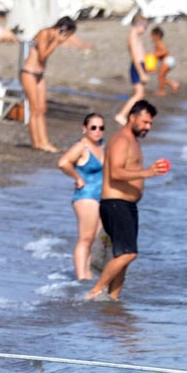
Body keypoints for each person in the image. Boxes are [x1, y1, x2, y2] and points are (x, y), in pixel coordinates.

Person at [86, 100, 169, 301]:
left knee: (123, 258)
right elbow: (115, 172)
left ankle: (113, 300)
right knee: (128, 254)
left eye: (150, 124)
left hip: (127, 205)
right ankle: (94, 293)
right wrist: (147, 172)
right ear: (133, 117)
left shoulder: (133, 141)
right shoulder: (121, 140)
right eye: (145, 122)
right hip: (115, 203)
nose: (147, 127)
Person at [58, 113, 106, 281]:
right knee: (85, 237)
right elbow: (63, 162)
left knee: (96, 239)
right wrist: (78, 178)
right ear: (84, 128)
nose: (97, 131)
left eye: (101, 128)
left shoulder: (102, 146)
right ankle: (81, 277)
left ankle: (88, 274)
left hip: (101, 197)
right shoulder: (81, 147)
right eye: (93, 127)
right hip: (86, 196)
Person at [19, 17, 78, 152]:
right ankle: (36, 142)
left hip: (39, 75)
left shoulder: (51, 37)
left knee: (42, 109)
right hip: (29, 73)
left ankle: (44, 141)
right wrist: (56, 42)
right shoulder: (44, 33)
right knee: (34, 109)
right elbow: (42, 56)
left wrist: (56, 41)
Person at [116, 19, 149, 126]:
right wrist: (142, 73)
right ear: (137, 25)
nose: (145, 30)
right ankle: (121, 115)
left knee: (141, 95)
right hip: (137, 66)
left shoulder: (136, 38)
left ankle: (136, 116)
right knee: (138, 94)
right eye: (145, 27)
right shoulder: (132, 38)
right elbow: (135, 57)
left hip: (140, 65)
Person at [149, 27, 180, 95]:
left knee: (160, 75)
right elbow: (159, 55)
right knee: (162, 76)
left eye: (152, 36)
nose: (151, 37)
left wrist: (154, 55)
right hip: (169, 61)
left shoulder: (159, 43)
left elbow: (164, 51)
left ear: (156, 36)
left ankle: (162, 91)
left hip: (167, 61)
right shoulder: (158, 44)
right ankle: (174, 84)